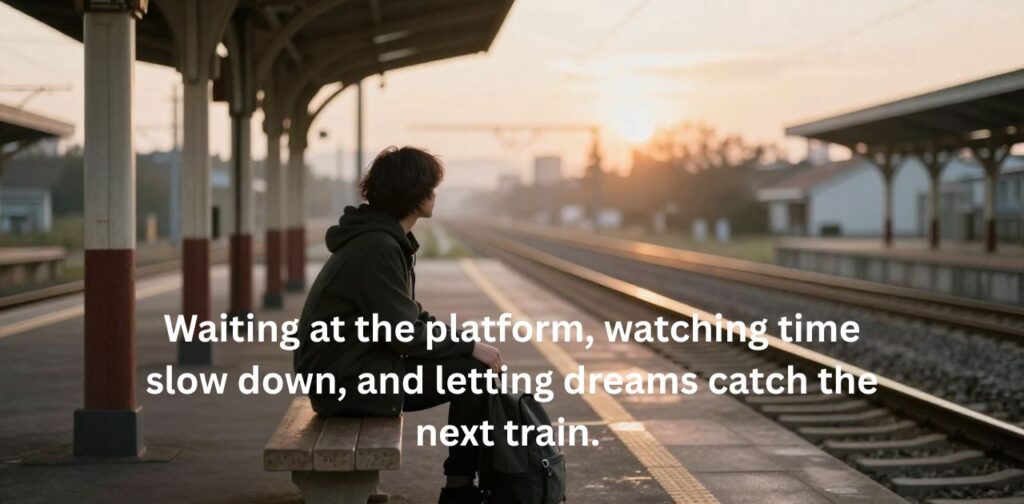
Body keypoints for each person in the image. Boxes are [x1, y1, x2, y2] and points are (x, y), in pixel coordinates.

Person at [294, 146, 502, 504]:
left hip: (353, 369)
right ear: (412, 194)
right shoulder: (377, 247)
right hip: (347, 383)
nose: (435, 194)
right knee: (474, 376)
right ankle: (459, 490)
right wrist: (469, 348)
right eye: (430, 187)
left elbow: (411, 317)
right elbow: (406, 335)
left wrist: (468, 344)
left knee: (471, 367)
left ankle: (462, 486)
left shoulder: (380, 240)